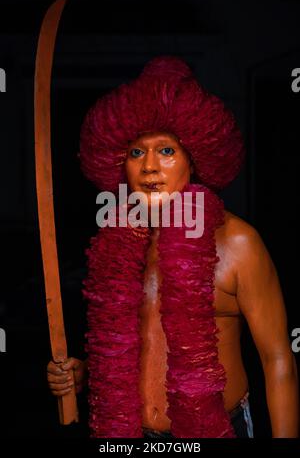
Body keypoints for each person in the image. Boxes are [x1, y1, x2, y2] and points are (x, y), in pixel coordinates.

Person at [47, 56, 298, 438]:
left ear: (193, 160)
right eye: (136, 152)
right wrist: (81, 374)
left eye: (166, 151)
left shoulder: (238, 243)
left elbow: (278, 359)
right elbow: (126, 349)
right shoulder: (115, 248)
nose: (149, 167)